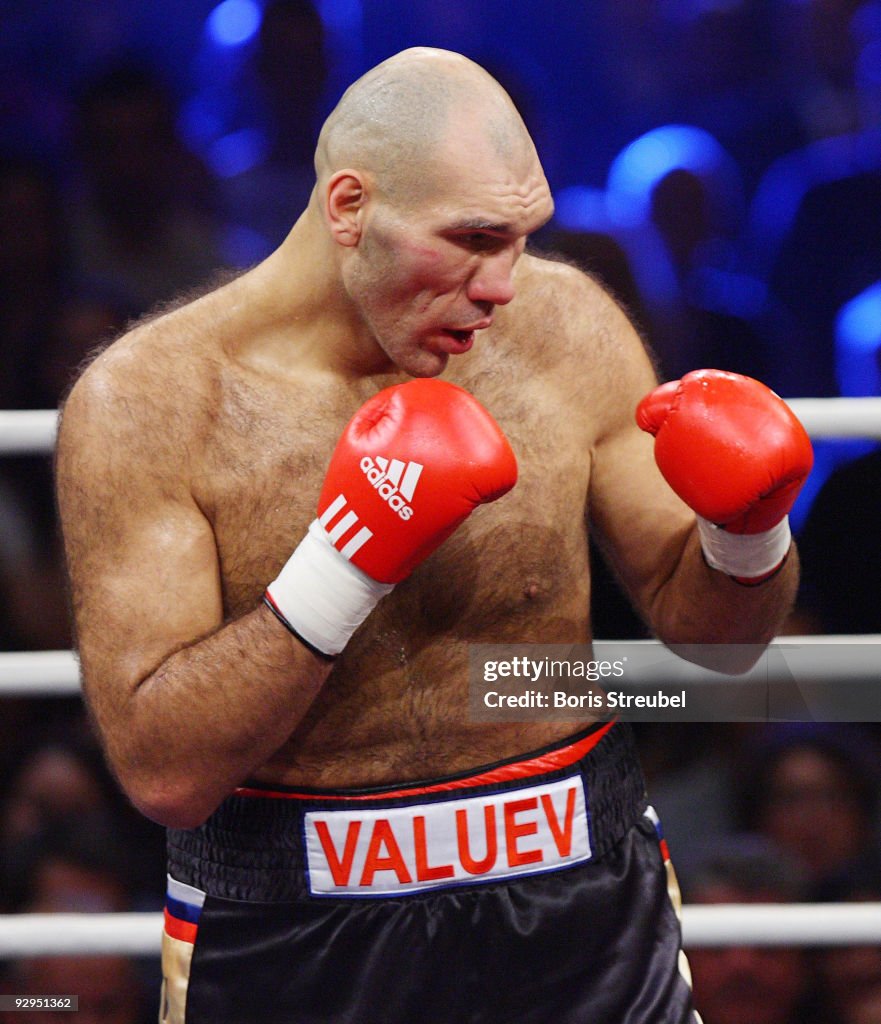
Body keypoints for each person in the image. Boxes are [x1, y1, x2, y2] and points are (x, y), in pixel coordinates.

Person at [55, 48, 812, 1024]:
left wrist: (745, 533)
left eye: (518, 238)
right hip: (299, 927)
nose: (502, 284)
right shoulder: (150, 402)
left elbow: (720, 638)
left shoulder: (565, 328)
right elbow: (166, 771)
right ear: (348, 206)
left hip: (582, 900)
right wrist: (346, 557)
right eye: (471, 239)